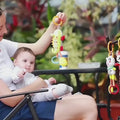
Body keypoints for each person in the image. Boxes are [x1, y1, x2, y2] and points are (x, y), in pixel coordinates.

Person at [0, 8, 98, 120]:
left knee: (88, 100)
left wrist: (54, 25)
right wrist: (38, 84)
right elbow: (10, 100)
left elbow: (37, 48)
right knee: (87, 107)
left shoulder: (2, 45)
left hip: (25, 101)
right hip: (12, 112)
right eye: (0, 28)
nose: (5, 31)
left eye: (4, 26)